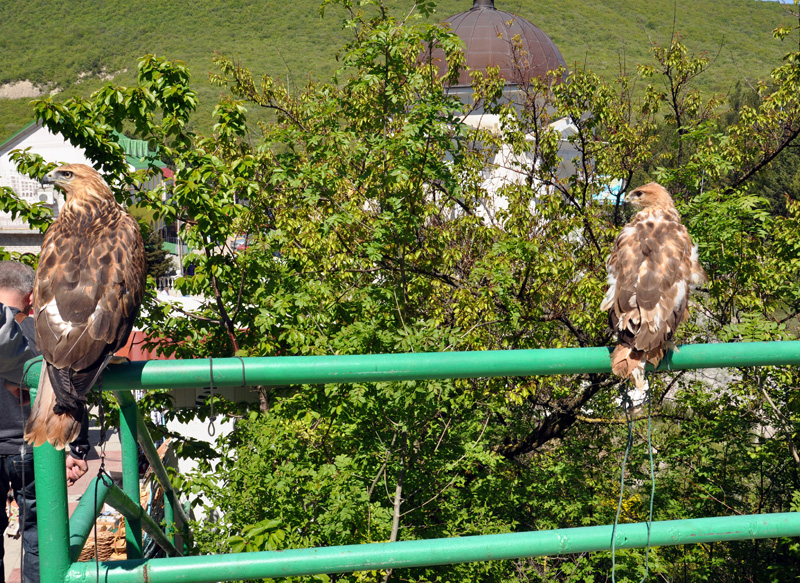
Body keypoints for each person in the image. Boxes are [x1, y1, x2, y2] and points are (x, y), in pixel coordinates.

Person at [0, 260, 90, 583]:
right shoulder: (44, 335)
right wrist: (77, 449)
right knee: (40, 538)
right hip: (34, 450)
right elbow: (69, 388)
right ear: (30, 297)